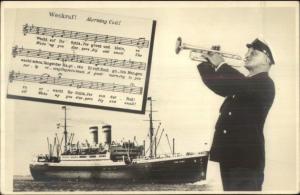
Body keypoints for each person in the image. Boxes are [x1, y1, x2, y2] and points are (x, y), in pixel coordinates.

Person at [197, 38, 275, 191]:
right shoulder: (243, 83)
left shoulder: (265, 83)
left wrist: (221, 64)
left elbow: (240, 84)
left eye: (254, 53)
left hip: (246, 159)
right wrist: (206, 62)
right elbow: (219, 86)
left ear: (267, 60)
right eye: (247, 51)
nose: (247, 55)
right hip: (230, 155)